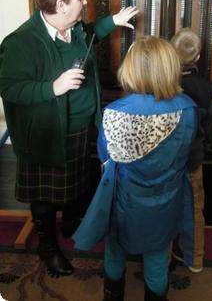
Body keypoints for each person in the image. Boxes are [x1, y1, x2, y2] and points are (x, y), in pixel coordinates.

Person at [0, 0, 138, 277]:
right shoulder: (21, 42)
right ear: (61, 4)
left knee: (76, 185)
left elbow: (91, 32)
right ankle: (47, 246)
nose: (84, 2)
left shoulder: (74, 28)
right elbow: (8, 87)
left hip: (81, 128)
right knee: (45, 196)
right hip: (46, 135)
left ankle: (73, 225)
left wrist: (111, 22)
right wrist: (54, 87)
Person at [73, 36, 197, 301]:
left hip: (124, 201)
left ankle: (112, 296)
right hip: (166, 198)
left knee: (115, 249)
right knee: (156, 255)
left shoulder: (115, 112)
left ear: (130, 68)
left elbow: (106, 159)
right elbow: (184, 153)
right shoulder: (187, 109)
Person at [170, 27, 212, 273]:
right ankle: (195, 258)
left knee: (165, 206)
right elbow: (210, 125)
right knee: (195, 207)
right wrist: (204, 147)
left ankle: (163, 256)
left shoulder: (164, 83)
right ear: (197, 58)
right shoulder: (205, 88)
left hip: (167, 161)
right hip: (193, 159)